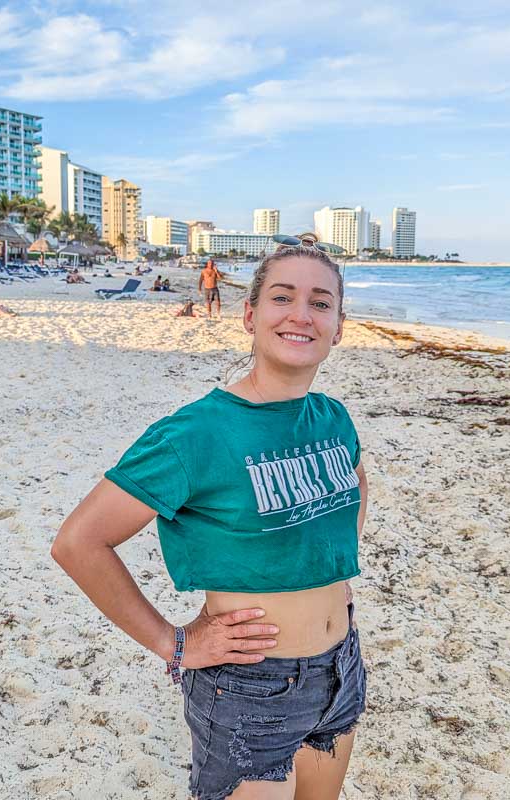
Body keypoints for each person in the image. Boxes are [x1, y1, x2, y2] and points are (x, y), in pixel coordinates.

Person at [53, 243, 367, 800]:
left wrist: (332, 572)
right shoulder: (195, 433)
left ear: (338, 327)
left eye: (321, 303)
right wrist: (171, 643)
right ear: (250, 315)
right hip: (251, 684)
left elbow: (357, 484)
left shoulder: (332, 417)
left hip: (340, 668)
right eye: (282, 298)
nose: (301, 315)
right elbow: (79, 543)